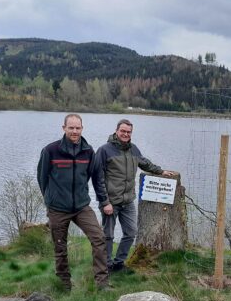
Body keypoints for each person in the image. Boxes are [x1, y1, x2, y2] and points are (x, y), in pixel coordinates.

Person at [37, 114, 110, 291]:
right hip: (58, 208)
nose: (75, 131)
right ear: (64, 128)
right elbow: (42, 179)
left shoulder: (88, 151)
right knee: (60, 246)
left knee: (99, 238)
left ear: (82, 129)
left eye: (78, 128)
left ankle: (102, 284)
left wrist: (104, 201)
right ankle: (64, 284)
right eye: (71, 128)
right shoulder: (51, 150)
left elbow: (97, 179)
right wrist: (50, 202)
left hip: (81, 207)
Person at [94, 119, 173, 272]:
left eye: (128, 132)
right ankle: (106, 266)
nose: (125, 134)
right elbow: (97, 178)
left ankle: (118, 263)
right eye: (123, 131)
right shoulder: (104, 150)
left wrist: (160, 171)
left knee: (131, 232)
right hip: (111, 201)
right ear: (116, 131)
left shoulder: (133, 149)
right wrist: (104, 202)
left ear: (131, 133)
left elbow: (145, 163)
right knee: (108, 235)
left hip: (128, 201)